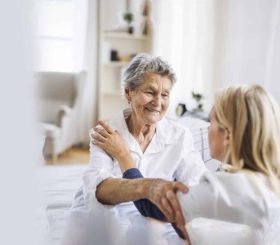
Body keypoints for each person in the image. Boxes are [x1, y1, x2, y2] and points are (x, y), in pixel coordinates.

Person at [94, 84, 280, 244]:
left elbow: (150, 206)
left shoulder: (224, 187)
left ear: (227, 135)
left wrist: (125, 156)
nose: (207, 129)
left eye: (211, 121)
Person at [62, 54, 207, 245]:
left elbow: (198, 188)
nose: (158, 102)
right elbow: (99, 191)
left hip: (153, 220)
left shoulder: (180, 136)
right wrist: (147, 187)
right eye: (150, 92)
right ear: (129, 92)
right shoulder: (106, 133)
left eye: (165, 95)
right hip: (107, 217)